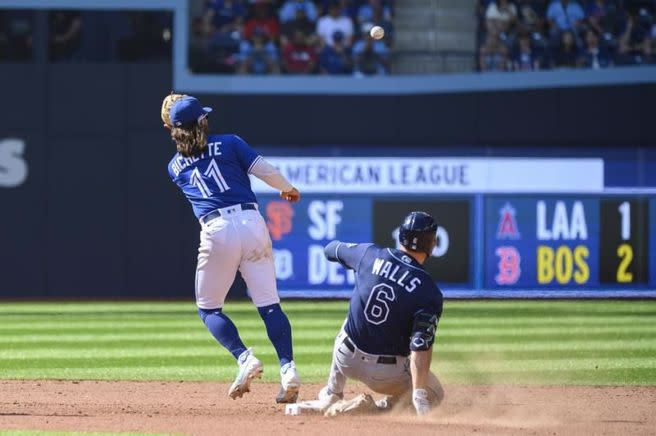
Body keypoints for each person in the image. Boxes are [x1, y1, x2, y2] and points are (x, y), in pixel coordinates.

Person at [160, 94, 301, 403]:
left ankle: (244, 357)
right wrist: (287, 189)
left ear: (172, 129)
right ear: (202, 122)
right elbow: (264, 170)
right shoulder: (230, 142)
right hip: (252, 223)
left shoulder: (174, 167)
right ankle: (288, 369)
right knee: (269, 305)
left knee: (209, 308)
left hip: (216, 230)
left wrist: (173, 121)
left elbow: (189, 147)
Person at [315, 211, 445, 416]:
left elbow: (330, 249)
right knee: (436, 392)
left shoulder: (369, 253)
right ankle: (378, 408)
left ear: (400, 236)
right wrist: (419, 394)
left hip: (345, 359)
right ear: (432, 244)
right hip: (386, 376)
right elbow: (420, 346)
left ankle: (333, 391)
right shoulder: (429, 291)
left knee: (353, 316)